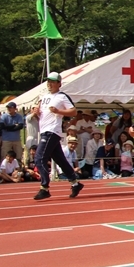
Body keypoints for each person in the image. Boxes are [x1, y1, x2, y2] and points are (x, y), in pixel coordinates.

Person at [32, 72, 84, 200]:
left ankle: (44, 187)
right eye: (48, 81)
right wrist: (36, 112)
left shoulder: (61, 96)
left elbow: (73, 111)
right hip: (44, 130)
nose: (49, 84)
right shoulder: (44, 97)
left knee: (39, 158)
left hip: (52, 131)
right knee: (60, 160)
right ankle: (75, 183)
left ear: (59, 83)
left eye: (52, 81)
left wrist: (58, 111)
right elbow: (40, 112)